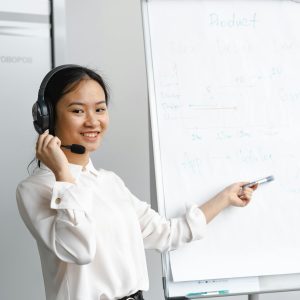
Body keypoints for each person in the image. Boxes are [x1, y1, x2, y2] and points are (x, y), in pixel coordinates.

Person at [16, 65, 257, 300]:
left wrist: (225, 197)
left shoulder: (109, 182)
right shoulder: (36, 188)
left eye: (99, 110)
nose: (92, 121)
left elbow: (166, 233)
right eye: (78, 111)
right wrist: (62, 174)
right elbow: (79, 250)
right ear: (47, 118)